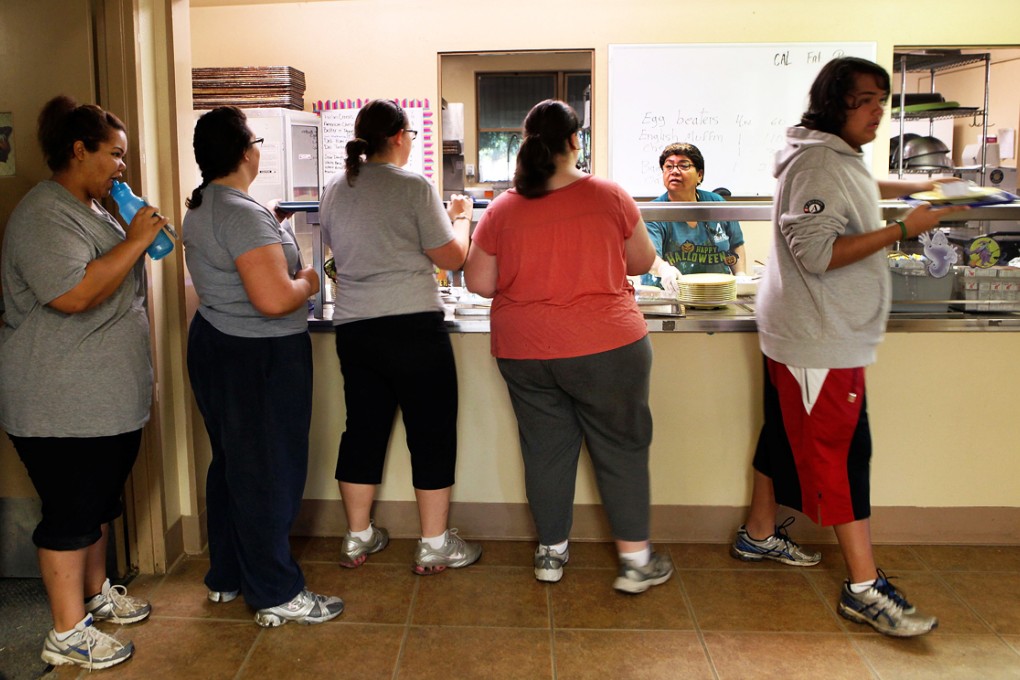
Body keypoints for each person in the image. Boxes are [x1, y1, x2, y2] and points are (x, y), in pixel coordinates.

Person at [731, 57, 967, 637]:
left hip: (808, 329)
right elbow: (815, 253)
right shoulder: (817, 162)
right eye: (865, 100)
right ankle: (863, 589)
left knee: (785, 433)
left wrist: (921, 187)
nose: (877, 112)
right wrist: (903, 229)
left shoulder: (835, 156)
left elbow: (856, 184)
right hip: (818, 335)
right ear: (835, 102)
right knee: (840, 454)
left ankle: (758, 534)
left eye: (882, 100)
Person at [464, 99, 672, 594]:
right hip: (607, 346)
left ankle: (550, 553)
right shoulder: (609, 196)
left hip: (526, 351)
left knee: (545, 450)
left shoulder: (503, 207)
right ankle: (635, 563)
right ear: (575, 140)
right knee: (620, 448)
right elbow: (642, 261)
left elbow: (478, 281)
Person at [0, 95, 164, 670]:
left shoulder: (96, 210)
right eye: (115, 154)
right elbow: (72, 295)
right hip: (57, 402)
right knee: (70, 512)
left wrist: (130, 231)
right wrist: (138, 240)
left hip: (102, 401)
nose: (123, 166)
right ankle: (66, 632)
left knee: (96, 505)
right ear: (79, 150)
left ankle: (94, 599)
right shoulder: (44, 214)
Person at [183, 106, 344, 627]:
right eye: (254, 140)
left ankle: (228, 575)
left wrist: (268, 230)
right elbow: (275, 300)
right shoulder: (240, 214)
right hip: (259, 354)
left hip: (217, 344)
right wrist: (309, 280)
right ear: (245, 151)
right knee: (269, 471)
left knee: (233, 464)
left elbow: (239, 264)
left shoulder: (209, 205)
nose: (259, 148)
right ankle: (275, 591)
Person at [318, 99, 482, 575]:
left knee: (362, 431)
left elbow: (336, 246)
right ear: (397, 137)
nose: (412, 141)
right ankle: (433, 544)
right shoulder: (414, 186)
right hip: (412, 327)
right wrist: (462, 217)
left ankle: (357, 536)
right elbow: (451, 257)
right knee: (430, 433)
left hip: (355, 328)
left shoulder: (335, 187)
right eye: (410, 133)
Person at [644, 142, 746, 295]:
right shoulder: (655, 212)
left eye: (683, 166)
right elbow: (649, 257)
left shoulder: (716, 204)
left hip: (715, 296)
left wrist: (740, 276)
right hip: (669, 297)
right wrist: (663, 269)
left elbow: (735, 244)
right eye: (669, 166)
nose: (675, 172)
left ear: (700, 175)